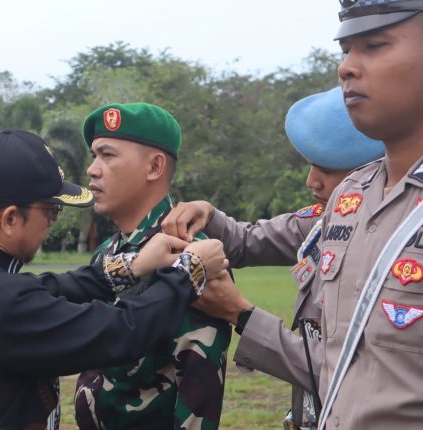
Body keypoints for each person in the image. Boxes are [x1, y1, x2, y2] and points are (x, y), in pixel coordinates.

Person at [180, 2, 423, 428]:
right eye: (346, 50)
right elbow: (339, 368)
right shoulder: (352, 197)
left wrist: (243, 314)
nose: (346, 68)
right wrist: (207, 213)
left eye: (374, 45)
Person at [0, 129, 232, 430]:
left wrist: (132, 265)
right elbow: (121, 332)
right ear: (10, 219)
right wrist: (189, 271)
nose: (52, 223)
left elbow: (43, 289)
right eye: (51, 211)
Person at [162, 87, 384, 429]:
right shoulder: (328, 220)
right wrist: (208, 213)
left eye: (327, 169)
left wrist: (240, 313)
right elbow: (247, 241)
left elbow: (349, 373)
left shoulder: (395, 246)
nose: (311, 181)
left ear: (373, 171)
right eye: (311, 166)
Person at [74, 102, 231, 430]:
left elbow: (197, 394)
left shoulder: (190, 255)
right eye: (94, 156)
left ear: (155, 167)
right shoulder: (107, 252)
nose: (92, 169)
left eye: (107, 155)